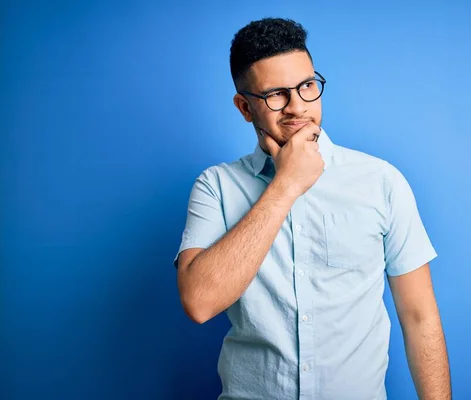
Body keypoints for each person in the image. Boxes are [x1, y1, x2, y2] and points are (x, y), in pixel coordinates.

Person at [174, 17, 451, 400]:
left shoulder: (381, 181)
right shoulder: (216, 187)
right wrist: (285, 185)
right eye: (275, 95)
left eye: (306, 87)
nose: (297, 107)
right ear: (244, 107)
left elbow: (421, 318)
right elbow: (199, 303)